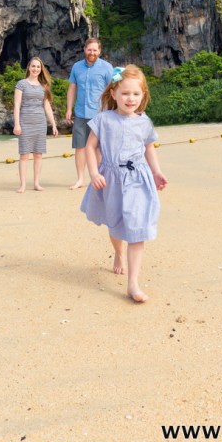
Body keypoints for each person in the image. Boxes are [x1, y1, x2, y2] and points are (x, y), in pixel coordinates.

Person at [80, 64, 168, 303]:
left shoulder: (144, 121)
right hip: (111, 178)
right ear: (114, 94)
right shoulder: (103, 120)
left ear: (143, 96)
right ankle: (118, 252)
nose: (131, 99)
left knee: (137, 228)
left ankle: (133, 284)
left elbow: (149, 148)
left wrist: (157, 172)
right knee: (116, 222)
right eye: (125, 93)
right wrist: (93, 173)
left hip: (139, 178)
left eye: (136, 94)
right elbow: (89, 148)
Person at [64, 38, 113, 189]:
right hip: (80, 113)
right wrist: (68, 109)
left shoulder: (106, 67)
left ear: (99, 51)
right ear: (84, 49)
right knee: (80, 147)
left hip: (99, 114)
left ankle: (96, 178)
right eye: (89, 49)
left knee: (97, 148)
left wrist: (114, 111)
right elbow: (72, 88)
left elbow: (113, 90)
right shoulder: (77, 67)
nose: (92, 53)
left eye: (95, 50)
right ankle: (80, 179)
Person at [12, 57, 59, 192]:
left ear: (41, 69)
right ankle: (23, 185)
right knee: (24, 155)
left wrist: (54, 125)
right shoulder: (21, 84)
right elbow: (16, 105)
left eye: (38, 67)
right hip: (25, 122)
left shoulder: (43, 86)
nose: (35, 69)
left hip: (40, 123)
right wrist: (17, 124)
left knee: (38, 154)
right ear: (29, 67)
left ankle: (37, 183)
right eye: (33, 66)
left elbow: (47, 107)